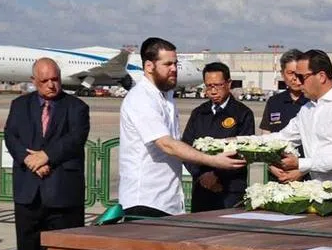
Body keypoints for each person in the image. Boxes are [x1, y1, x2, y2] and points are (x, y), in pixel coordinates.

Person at [118, 37, 246, 217]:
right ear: (149, 66)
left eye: (175, 64)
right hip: (145, 200)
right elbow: (167, 144)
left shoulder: (166, 96)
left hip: (167, 201)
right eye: (167, 64)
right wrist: (214, 161)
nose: (174, 69)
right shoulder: (141, 98)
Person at [3, 58, 90, 250]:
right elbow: (11, 135)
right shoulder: (19, 105)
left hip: (62, 187)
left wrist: (46, 156)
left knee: (62, 246)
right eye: (45, 81)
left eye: (55, 79)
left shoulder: (76, 107)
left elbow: (75, 139)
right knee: (28, 243)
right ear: (34, 81)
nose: (51, 85)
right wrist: (29, 159)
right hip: (29, 187)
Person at [270, 49, 332, 183]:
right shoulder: (307, 109)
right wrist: (238, 142)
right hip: (317, 186)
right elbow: (282, 138)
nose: (298, 82)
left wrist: (300, 163)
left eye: (301, 77)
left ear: (321, 76)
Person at [181, 62, 256, 211]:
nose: (213, 91)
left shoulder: (242, 113)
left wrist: (216, 176)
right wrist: (202, 175)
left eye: (217, 85)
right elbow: (186, 147)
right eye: (209, 86)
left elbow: (243, 152)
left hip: (230, 190)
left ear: (228, 84)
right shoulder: (199, 113)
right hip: (202, 189)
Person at [259, 48, 305, 133]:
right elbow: (266, 133)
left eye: (298, 73)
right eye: (290, 73)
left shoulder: (314, 102)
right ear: (282, 74)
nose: (295, 78)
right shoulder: (274, 102)